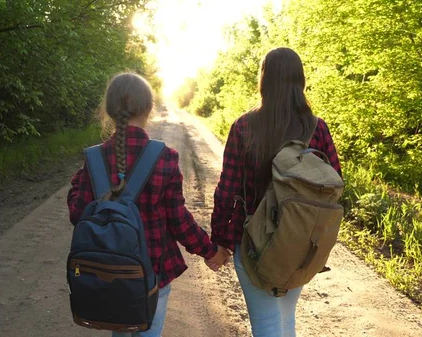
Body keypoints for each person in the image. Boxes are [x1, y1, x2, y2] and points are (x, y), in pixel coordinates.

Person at [67, 72, 230, 337]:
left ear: (108, 111)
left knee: (119, 329)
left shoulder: (95, 157)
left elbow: (78, 213)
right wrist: (210, 251)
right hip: (153, 271)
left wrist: (78, 186)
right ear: (148, 109)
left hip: (108, 268)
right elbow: (178, 221)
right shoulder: (164, 157)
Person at [207, 47, 343, 337]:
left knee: (268, 325)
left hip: (254, 243)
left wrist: (220, 241)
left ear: (264, 80)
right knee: (284, 318)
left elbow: (227, 190)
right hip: (301, 242)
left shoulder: (244, 126)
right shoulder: (317, 128)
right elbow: (335, 182)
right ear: (300, 80)